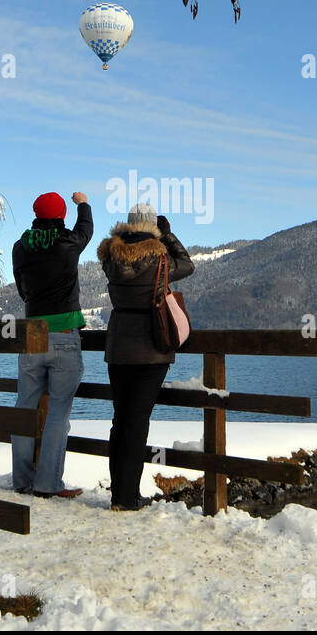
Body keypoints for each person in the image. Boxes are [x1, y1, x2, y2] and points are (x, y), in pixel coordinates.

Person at [97, 202, 195, 511]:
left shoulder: (109, 256)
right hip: (152, 346)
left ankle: (118, 495)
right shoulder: (161, 259)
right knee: (138, 422)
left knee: (120, 420)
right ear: (153, 226)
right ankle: (128, 497)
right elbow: (188, 265)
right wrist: (168, 236)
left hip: (118, 345)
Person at [10, 191, 93, 498]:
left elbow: (21, 287)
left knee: (25, 407)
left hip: (33, 329)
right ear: (60, 216)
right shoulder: (68, 243)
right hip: (63, 331)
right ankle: (47, 484)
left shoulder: (21, 247)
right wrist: (83, 203)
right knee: (58, 410)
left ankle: (22, 480)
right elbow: (86, 229)